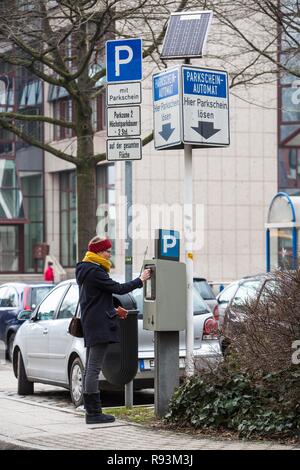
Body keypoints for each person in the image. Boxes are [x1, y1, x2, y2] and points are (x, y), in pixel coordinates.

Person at [75, 235, 151, 425]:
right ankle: (93, 413)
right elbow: (118, 288)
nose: (109, 254)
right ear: (99, 252)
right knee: (93, 369)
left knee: (91, 369)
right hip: (98, 325)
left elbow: (94, 300)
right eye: (107, 250)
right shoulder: (95, 270)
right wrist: (140, 280)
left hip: (92, 322)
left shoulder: (86, 269)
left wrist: (115, 310)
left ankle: (92, 411)